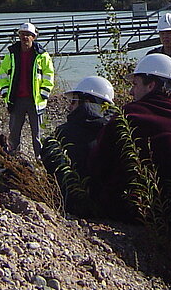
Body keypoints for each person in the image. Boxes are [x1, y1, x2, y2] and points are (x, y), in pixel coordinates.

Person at [89, 54, 171, 222]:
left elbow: (97, 164)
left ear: (151, 85)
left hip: (125, 208)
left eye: (135, 84)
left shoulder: (126, 117)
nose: (131, 91)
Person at [40, 76, 116, 215]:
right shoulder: (116, 131)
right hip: (112, 208)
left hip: (72, 206)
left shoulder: (64, 132)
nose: (70, 106)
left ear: (86, 101)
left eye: (73, 101)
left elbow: (50, 164)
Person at [0, 22, 55, 158]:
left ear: (33, 37)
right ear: (19, 36)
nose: (25, 38)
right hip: (16, 99)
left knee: (38, 134)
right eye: (23, 35)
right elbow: (2, 74)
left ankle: (41, 160)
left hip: (35, 100)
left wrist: (44, 93)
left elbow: (49, 75)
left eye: (28, 35)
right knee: (14, 133)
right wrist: (5, 92)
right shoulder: (11, 54)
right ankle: (13, 160)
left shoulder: (42, 55)